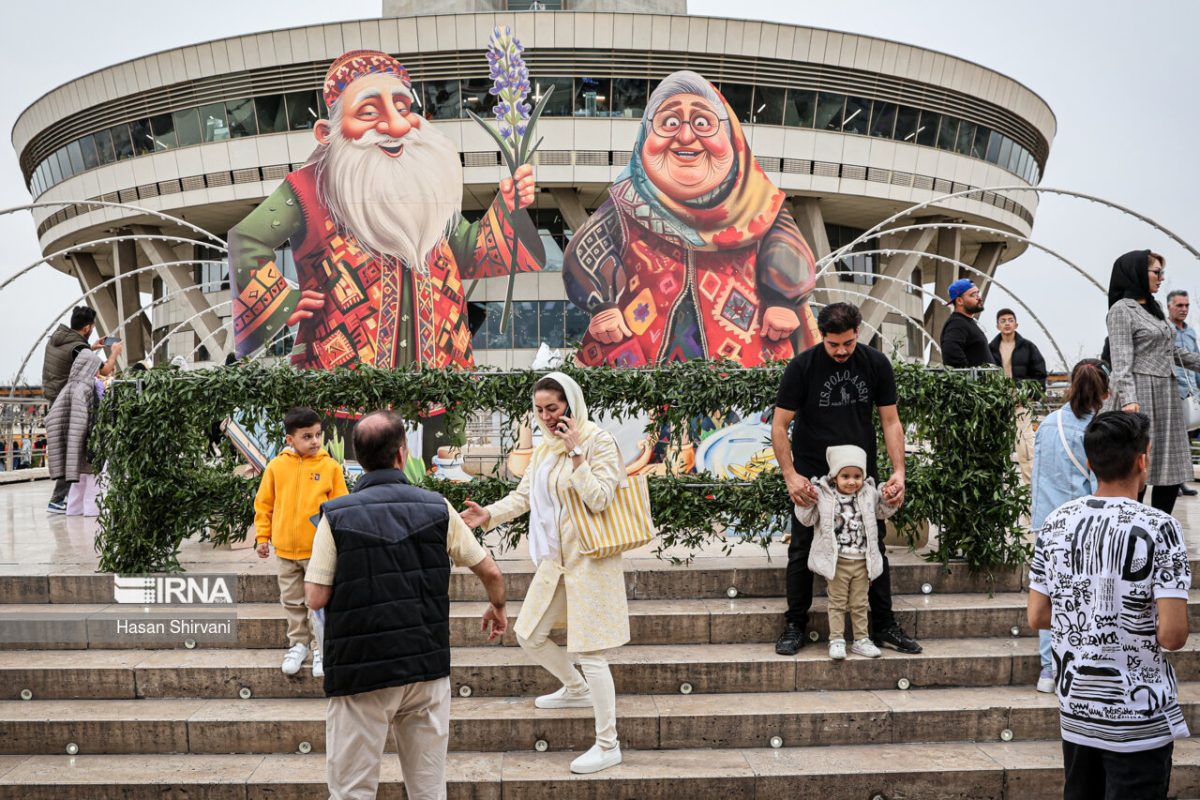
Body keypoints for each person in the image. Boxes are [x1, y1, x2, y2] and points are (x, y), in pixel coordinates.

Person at [229, 49, 543, 369]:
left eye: (402, 107)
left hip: (443, 373)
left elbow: (469, 252)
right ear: (326, 133)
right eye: (368, 111)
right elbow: (247, 238)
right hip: (340, 382)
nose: (395, 125)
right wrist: (283, 301)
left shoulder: (427, 186)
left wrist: (507, 209)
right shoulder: (306, 188)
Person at [304, 411, 506, 800]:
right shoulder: (437, 507)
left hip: (360, 670)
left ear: (357, 457)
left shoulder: (337, 515)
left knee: (350, 791)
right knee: (428, 788)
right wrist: (497, 606)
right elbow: (491, 571)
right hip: (425, 667)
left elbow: (315, 597)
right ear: (402, 453)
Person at [563, 69, 819, 369]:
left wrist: (782, 300)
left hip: (747, 359)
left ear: (731, 137)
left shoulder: (762, 205)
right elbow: (585, 251)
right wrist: (603, 305)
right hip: (636, 361)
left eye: (702, 123)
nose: (685, 136)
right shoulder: (624, 205)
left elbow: (789, 250)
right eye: (669, 122)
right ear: (647, 134)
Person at [461, 372, 629, 775]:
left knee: (591, 653)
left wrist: (576, 454)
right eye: (538, 410)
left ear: (570, 404)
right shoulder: (544, 448)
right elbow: (523, 496)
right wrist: (489, 515)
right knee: (528, 633)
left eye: (552, 408)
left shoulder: (597, 440)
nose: (546, 417)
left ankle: (609, 745)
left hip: (591, 562)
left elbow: (601, 498)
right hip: (556, 563)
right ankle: (575, 689)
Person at [1028, 411, 1190, 800]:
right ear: (1143, 460)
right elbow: (1172, 636)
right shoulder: (1160, 527)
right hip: (1138, 719)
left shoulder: (1056, 522)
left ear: (1089, 463)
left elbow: (1037, 616)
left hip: (1077, 713)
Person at [771, 302, 920, 656]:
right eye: (833, 344)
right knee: (801, 548)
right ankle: (795, 625)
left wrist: (898, 472)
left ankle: (884, 625)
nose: (841, 351)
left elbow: (890, 421)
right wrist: (791, 476)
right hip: (813, 475)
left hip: (860, 475)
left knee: (874, 545)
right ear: (821, 335)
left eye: (848, 344)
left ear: (858, 333)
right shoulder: (802, 366)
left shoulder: (876, 363)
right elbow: (780, 425)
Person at [1028, 358, 1109, 693]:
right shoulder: (1098, 429)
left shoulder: (1047, 423)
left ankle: (1049, 670)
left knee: (1049, 596)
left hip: (1047, 524)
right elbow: (1098, 483)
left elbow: (1037, 478)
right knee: (1087, 599)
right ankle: (1079, 666)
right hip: (1086, 526)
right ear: (1104, 392)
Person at [254, 407, 348, 677]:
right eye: (307, 436)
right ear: (289, 439)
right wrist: (263, 537)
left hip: (318, 552)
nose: (315, 441)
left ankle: (320, 647)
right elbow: (264, 504)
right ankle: (298, 644)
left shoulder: (329, 467)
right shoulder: (276, 467)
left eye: (318, 435)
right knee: (292, 601)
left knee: (316, 602)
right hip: (285, 551)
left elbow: (340, 507)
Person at [1105, 250, 1200, 515]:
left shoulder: (1154, 308)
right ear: (1136, 272)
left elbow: (1170, 352)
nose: (1161, 278)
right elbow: (1121, 360)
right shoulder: (1122, 310)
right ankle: (1133, 528)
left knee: (1169, 469)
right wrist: (1129, 401)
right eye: (1156, 272)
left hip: (1166, 395)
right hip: (1140, 394)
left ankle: (1160, 529)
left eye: (1162, 272)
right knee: (1138, 468)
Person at [796, 444, 898, 660]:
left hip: (862, 561)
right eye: (846, 476)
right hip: (837, 561)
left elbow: (882, 512)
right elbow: (807, 519)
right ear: (835, 477)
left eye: (857, 476)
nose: (852, 481)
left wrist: (889, 499)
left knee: (860, 603)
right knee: (837, 603)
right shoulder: (823, 494)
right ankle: (837, 640)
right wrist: (805, 501)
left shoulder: (869, 493)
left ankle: (861, 639)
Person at [41, 306, 121, 512]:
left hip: (55, 399)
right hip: (70, 402)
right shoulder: (79, 348)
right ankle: (58, 499)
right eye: (92, 326)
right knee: (73, 449)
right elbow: (105, 369)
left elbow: (73, 356)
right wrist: (115, 353)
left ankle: (62, 499)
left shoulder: (58, 339)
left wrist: (91, 348)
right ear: (87, 327)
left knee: (67, 448)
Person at [989, 308, 1048, 485]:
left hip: (1021, 404)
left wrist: (1031, 395)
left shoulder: (1028, 347)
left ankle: (1030, 490)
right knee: (997, 447)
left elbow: (1040, 375)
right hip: (998, 405)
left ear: (1016, 324)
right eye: (1003, 320)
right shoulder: (990, 348)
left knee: (1025, 448)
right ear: (997, 325)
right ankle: (1000, 487)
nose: (1007, 323)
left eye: (1010, 320)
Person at [45, 352, 104, 512]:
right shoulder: (85, 389)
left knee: (79, 481)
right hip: (83, 442)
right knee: (92, 480)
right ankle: (92, 511)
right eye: (96, 369)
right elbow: (82, 421)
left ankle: (73, 509)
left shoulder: (69, 386)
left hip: (72, 442)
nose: (98, 373)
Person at [1166, 290, 1200, 496]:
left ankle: (1181, 479)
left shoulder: (1190, 332)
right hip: (1173, 390)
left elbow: (1195, 359)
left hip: (1190, 391)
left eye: (1186, 305)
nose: (1184, 309)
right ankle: (1172, 481)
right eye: (1179, 305)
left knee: (1186, 436)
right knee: (1173, 437)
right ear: (1169, 307)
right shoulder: (1165, 330)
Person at [940, 278, 996, 368]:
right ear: (959, 301)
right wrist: (970, 378)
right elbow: (951, 353)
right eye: (973, 295)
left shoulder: (967, 321)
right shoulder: (957, 323)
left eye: (978, 293)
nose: (979, 298)